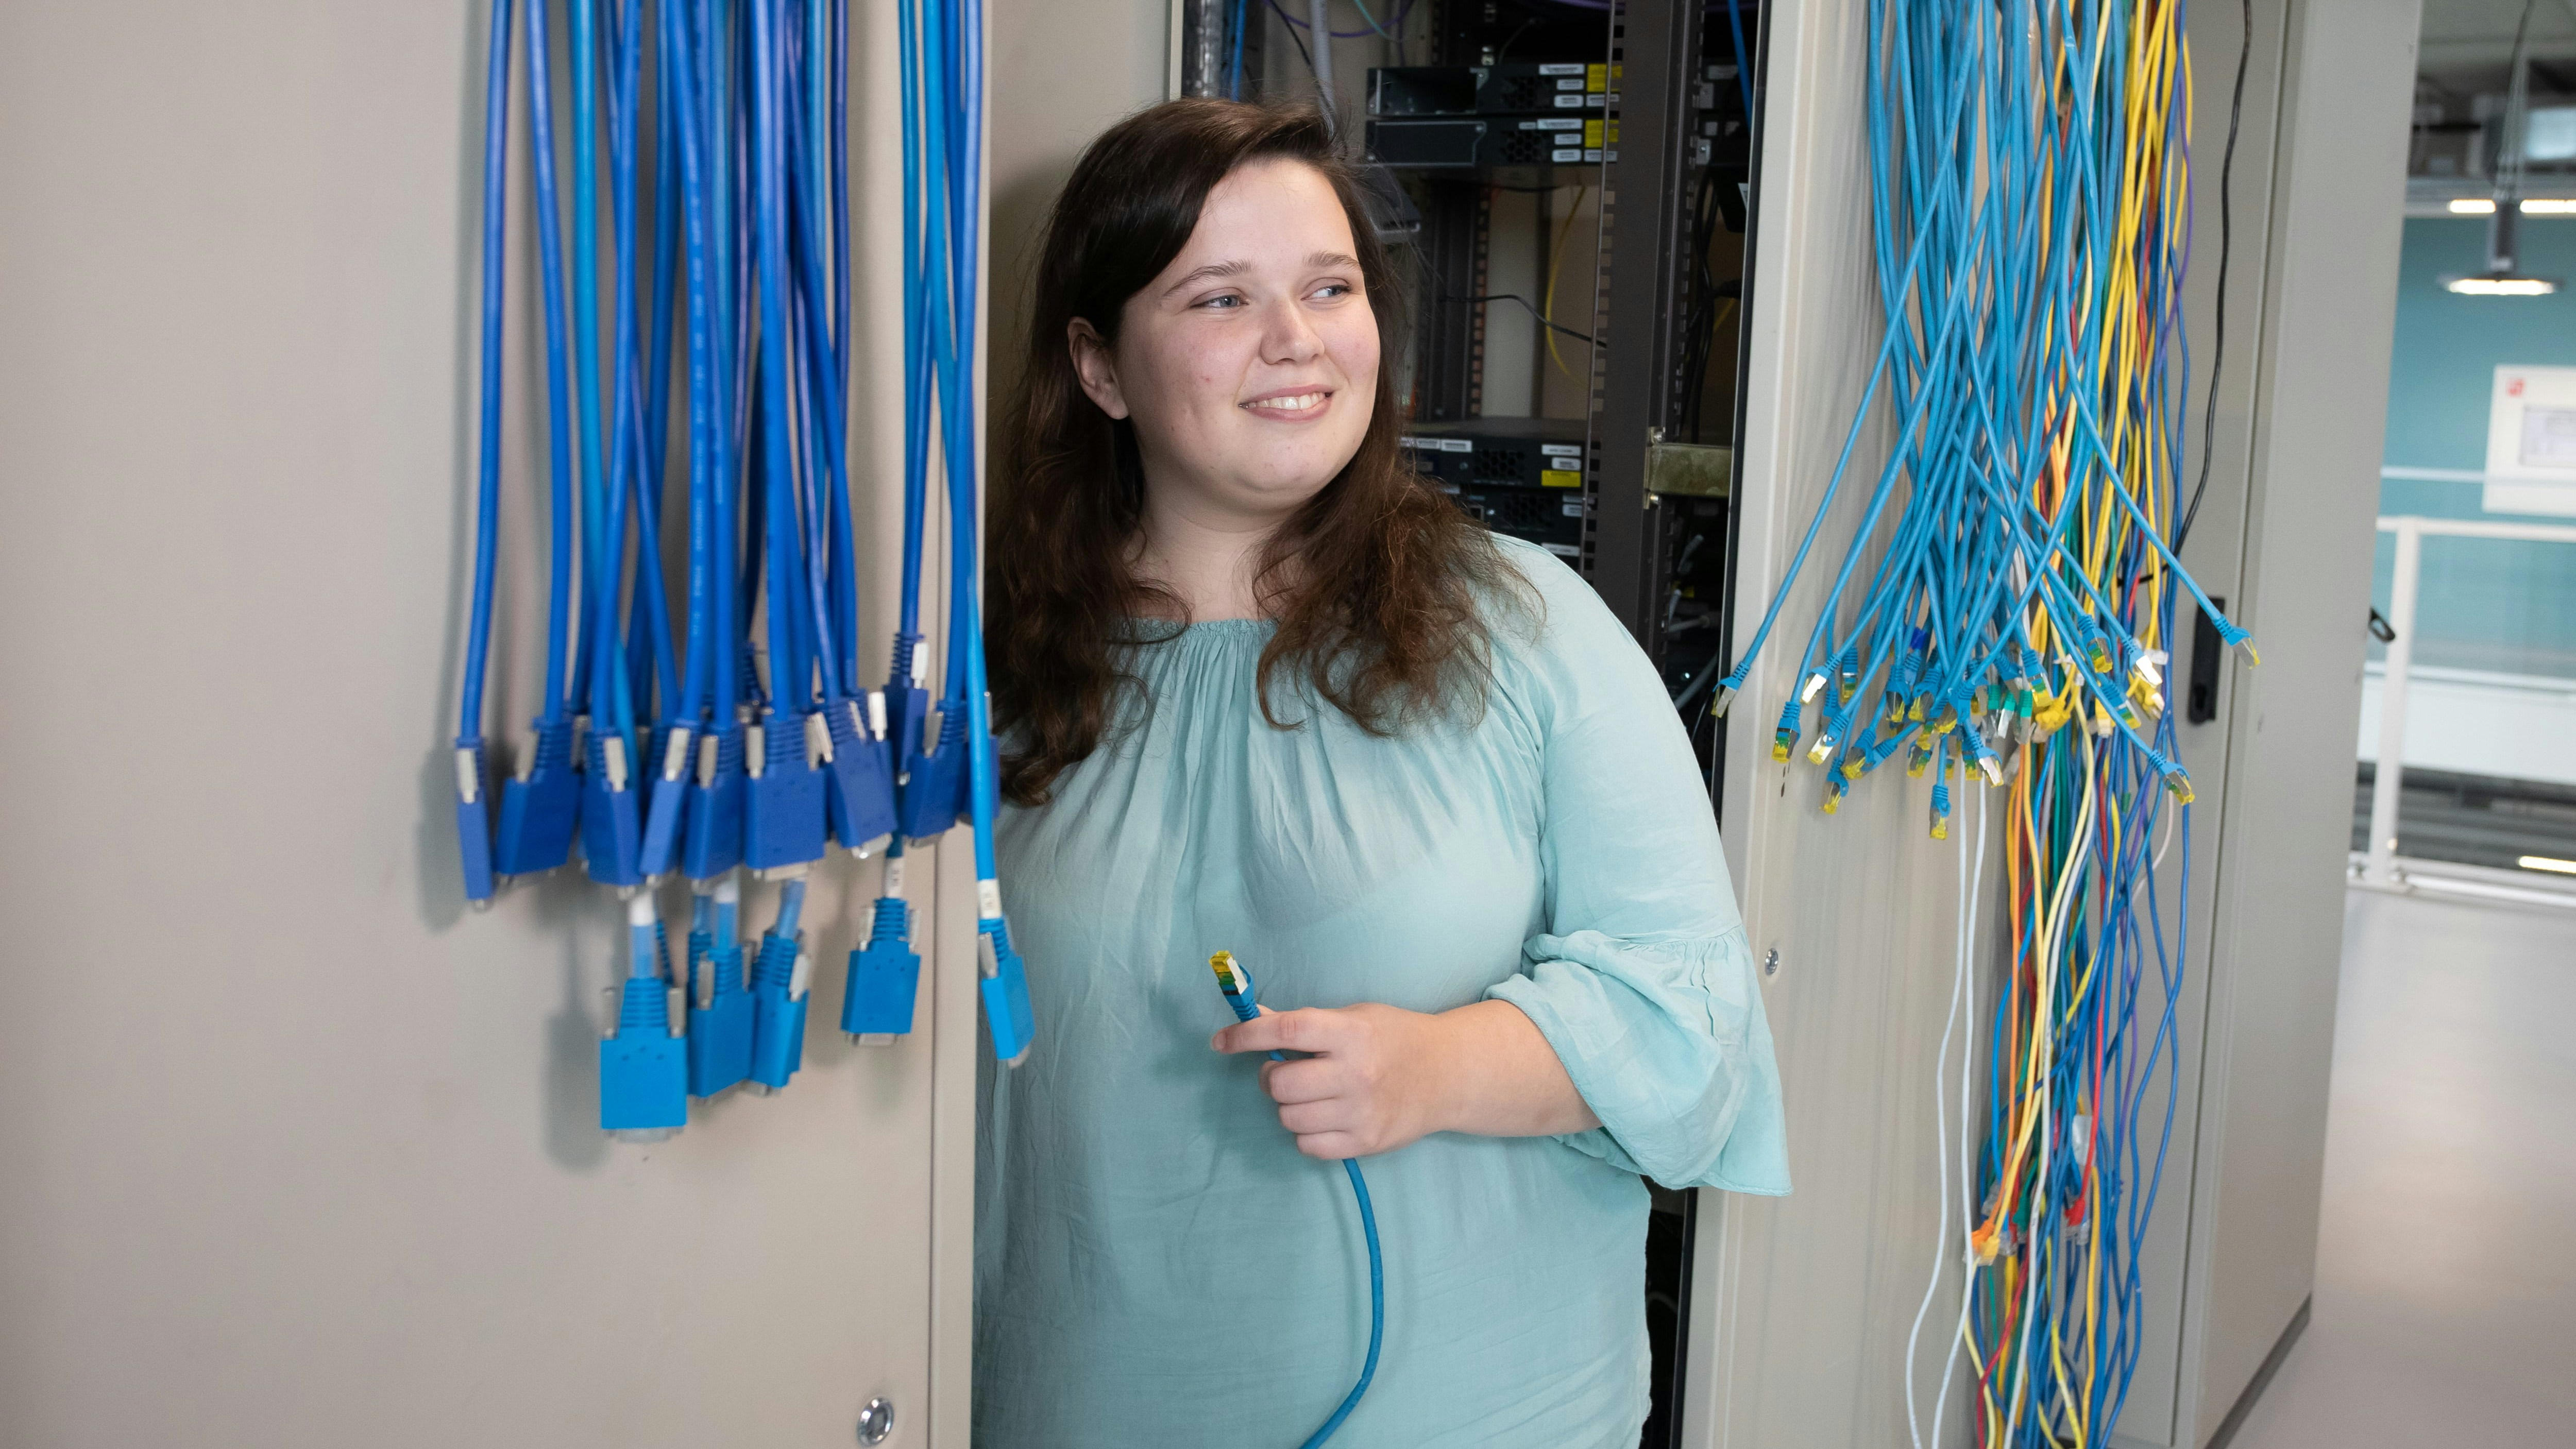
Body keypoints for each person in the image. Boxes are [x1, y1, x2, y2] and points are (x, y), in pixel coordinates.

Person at [978, 98, 1789, 1449]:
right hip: (1082, 1399)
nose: (1294, 339)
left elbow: (1694, 1033)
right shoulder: (997, 672)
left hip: (1473, 1411)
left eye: (1329, 287)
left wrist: (1436, 1070)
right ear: (1100, 365)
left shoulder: (1524, 630)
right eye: (1221, 297)